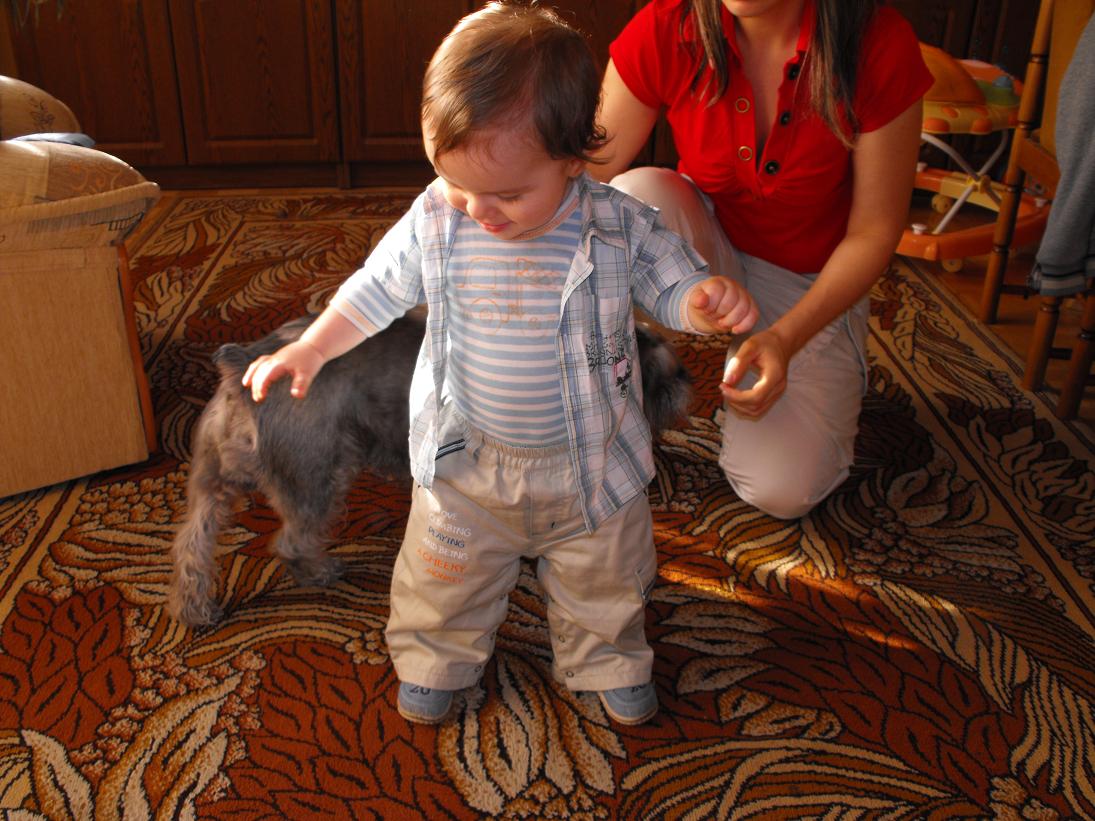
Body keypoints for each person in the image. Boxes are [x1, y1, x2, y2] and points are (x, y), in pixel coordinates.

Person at [242, 1, 758, 726]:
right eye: (457, 183)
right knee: (442, 572)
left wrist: (701, 301)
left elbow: (671, 283)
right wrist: (313, 345)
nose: (479, 210)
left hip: (590, 459)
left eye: (509, 194)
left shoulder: (616, 225)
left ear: (575, 158)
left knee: (605, 575)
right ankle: (435, 655)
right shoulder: (437, 217)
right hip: (470, 459)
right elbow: (376, 288)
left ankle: (607, 656)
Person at [591, 0, 933, 519]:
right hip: (706, 240)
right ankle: (612, 377)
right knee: (635, 195)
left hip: (809, 278)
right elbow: (581, 176)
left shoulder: (878, 42)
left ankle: (830, 356)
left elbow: (874, 233)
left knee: (781, 490)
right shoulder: (669, 22)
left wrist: (786, 338)